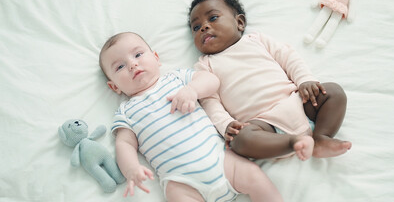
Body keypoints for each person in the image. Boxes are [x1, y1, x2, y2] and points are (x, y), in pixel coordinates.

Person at [99, 32, 283, 202]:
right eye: (120, 66)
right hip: (182, 183)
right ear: (114, 87)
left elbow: (212, 81)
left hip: (222, 160)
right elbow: (124, 144)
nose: (133, 64)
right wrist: (131, 169)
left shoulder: (176, 79)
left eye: (138, 55)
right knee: (175, 194)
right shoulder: (126, 111)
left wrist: (192, 90)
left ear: (156, 58)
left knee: (254, 176)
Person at [188, 0, 352, 161]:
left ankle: (321, 138)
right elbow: (209, 101)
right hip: (263, 124)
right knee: (240, 140)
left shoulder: (256, 40)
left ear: (240, 22)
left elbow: (289, 58)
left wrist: (305, 80)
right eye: (196, 27)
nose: (204, 27)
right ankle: (293, 142)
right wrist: (226, 124)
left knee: (333, 92)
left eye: (213, 18)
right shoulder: (205, 66)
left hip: (298, 102)